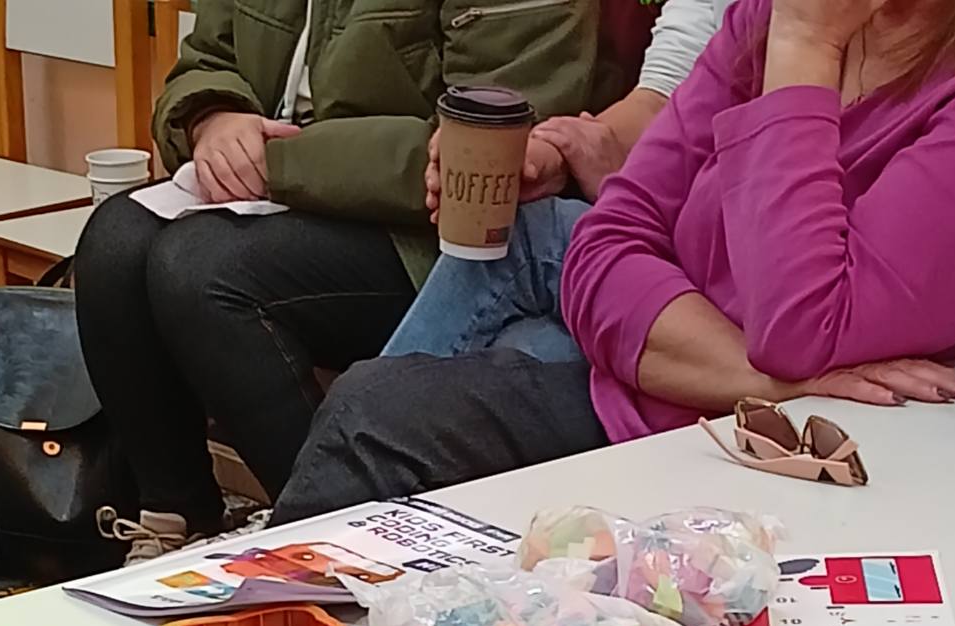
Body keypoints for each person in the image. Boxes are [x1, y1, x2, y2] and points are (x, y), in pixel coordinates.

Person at [271, 0, 955, 524]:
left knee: (379, 418)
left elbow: (804, 328)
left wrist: (804, 48)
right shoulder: (774, 15)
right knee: (384, 409)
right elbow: (608, 238)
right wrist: (767, 383)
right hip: (691, 403)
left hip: (837, 470)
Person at [72, 0, 620, 560]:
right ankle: (176, 519)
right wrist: (212, 117)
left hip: (432, 232)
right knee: (114, 242)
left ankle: (324, 528)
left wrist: (281, 162)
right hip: (291, 189)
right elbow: (208, 59)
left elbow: (490, 142)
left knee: (201, 269)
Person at [385, 0, 735, 365]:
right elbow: (661, 97)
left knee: (525, 262)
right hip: (673, 244)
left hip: (719, 275)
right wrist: (553, 154)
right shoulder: (736, 27)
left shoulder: (768, 28)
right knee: (520, 342)